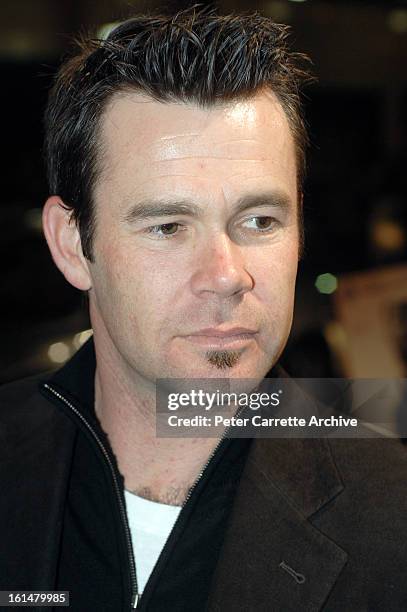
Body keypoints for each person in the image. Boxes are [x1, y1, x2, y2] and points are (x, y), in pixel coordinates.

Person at [1, 7, 407, 611]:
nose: (226, 276)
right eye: (168, 226)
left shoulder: (392, 516)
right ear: (72, 244)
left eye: (260, 221)